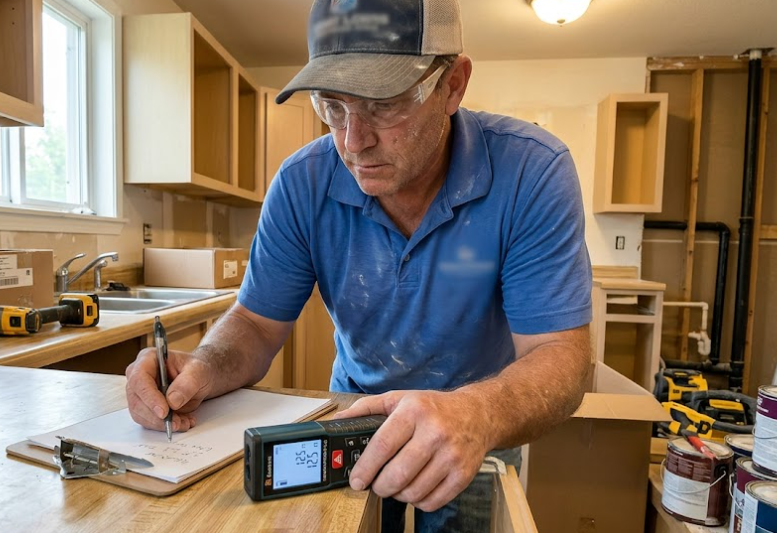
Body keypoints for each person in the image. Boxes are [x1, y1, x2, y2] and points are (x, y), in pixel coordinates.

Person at [126, 0, 592, 531]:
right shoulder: (302, 183)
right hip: (350, 425)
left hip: (477, 428)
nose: (353, 141)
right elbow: (255, 324)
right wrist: (207, 364)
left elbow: (561, 356)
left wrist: (479, 415)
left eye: (385, 105)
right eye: (332, 106)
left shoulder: (532, 171)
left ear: (453, 85)